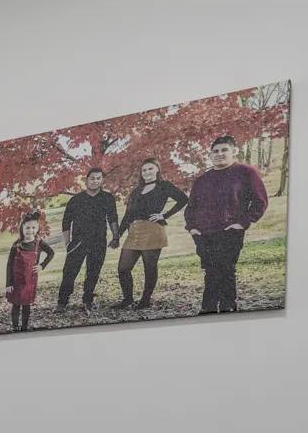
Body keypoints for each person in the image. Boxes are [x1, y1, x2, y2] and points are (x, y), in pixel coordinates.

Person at [184, 135, 269, 314]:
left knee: (226, 270)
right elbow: (191, 207)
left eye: (224, 150)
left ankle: (227, 307)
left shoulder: (245, 172)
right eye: (215, 151)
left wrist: (243, 223)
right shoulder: (202, 180)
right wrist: (193, 229)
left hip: (229, 230)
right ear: (210, 155)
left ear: (234, 152)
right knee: (211, 271)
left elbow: (260, 200)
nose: (219, 154)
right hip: (204, 234)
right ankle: (208, 309)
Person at [113, 158, 188, 309]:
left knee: (149, 267)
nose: (147, 172)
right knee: (123, 268)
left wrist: (164, 215)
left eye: (150, 169)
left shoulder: (164, 186)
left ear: (157, 170)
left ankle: (145, 300)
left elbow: (183, 199)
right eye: (144, 170)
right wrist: (117, 236)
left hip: (152, 229)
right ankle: (128, 299)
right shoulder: (136, 191)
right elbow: (128, 215)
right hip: (134, 230)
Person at [56, 167, 119, 310]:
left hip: (99, 241)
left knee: (93, 272)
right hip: (78, 242)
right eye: (92, 178)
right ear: (86, 180)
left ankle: (87, 301)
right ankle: (62, 302)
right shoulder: (76, 200)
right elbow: (66, 223)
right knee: (69, 272)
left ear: (102, 180)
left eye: (98, 178)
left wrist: (116, 237)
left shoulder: (108, 198)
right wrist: (67, 243)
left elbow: (113, 218)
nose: (95, 181)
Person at [0, 211, 54, 334]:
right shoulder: (17, 245)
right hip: (16, 281)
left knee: (26, 305)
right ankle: (15, 327)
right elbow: (9, 265)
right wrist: (8, 283)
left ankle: (24, 328)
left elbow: (51, 253)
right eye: (28, 228)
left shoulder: (39, 243)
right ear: (22, 228)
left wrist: (42, 265)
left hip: (30, 281)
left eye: (33, 228)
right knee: (16, 305)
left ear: (38, 228)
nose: (31, 231)